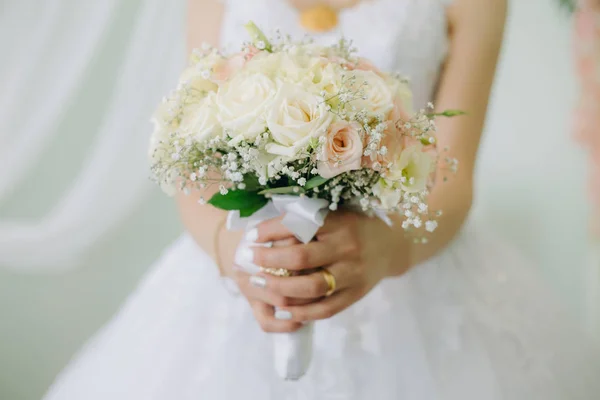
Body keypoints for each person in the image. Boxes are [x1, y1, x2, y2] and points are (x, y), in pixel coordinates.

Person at [44, 0, 600, 398]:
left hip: (406, 261)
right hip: (243, 267)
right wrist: (240, 258)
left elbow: (453, 180)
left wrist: (380, 250)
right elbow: (194, 163)